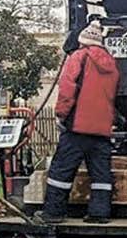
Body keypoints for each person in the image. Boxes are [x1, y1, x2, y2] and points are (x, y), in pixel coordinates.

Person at [34, 21, 120, 225]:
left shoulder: (78, 57)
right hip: (102, 129)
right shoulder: (111, 64)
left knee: (61, 170)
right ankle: (99, 214)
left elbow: (67, 90)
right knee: (100, 173)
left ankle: (54, 213)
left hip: (78, 126)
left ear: (82, 41)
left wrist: (61, 115)